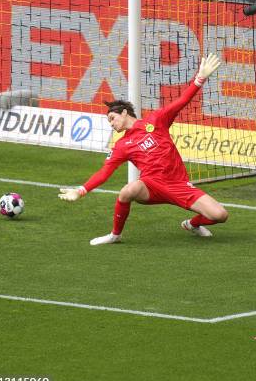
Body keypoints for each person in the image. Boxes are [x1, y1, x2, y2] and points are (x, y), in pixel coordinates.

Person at [58, 54, 229, 245]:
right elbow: (104, 173)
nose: (111, 124)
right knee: (127, 191)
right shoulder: (122, 145)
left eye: (112, 118)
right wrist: (81, 191)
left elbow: (181, 102)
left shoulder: (156, 120)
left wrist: (200, 79)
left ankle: (192, 224)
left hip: (178, 185)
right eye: (109, 122)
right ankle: (115, 235)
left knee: (220, 215)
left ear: (124, 112)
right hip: (151, 186)